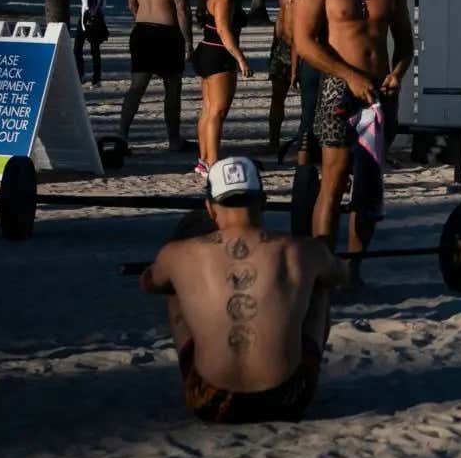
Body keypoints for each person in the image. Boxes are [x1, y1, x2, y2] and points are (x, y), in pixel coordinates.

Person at [136, 158, 343, 424]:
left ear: (210, 208)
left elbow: (149, 283)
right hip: (289, 399)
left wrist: (189, 276)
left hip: (211, 402)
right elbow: (340, 275)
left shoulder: (177, 254)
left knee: (174, 288)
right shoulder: (303, 249)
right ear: (263, 201)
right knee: (318, 284)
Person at [294, 0, 412, 258]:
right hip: (338, 87)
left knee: (369, 185)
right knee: (334, 178)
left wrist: (397, 74)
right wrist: (349, 75)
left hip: (378, 92)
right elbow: (304, 42)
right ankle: (324, 266)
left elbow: (405, 44)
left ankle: (353, 268)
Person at [119, 0, 195, 153]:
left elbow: (131, 3)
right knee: (172, 87)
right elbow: (182, 8)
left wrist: (144, 20)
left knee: (136, 87)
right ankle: (174, 139)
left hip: (142, 32)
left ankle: (122, 135)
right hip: (167, 34)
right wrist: (188, 42)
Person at [191, 0, 252, 173]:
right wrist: (241, 58)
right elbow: (224, 31)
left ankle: (204, 160)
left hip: (206, 51)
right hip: (218, 55)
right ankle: (213, 163)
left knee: (208, 110)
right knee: (217, 111)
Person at [268, 0, 306, 155]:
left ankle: (307, 144)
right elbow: (281, 19)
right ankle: (273, 141)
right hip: (283, 47)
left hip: (305, 47)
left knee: (308, 99)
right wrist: (274, 45)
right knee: (277, 97)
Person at [75, 0, 109, 85]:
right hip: (83, 17)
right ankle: (80, 75)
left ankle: (96, 79)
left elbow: (100, 1)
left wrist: (93, 15)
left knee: (94, 49)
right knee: (77, 48)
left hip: (94, 17)